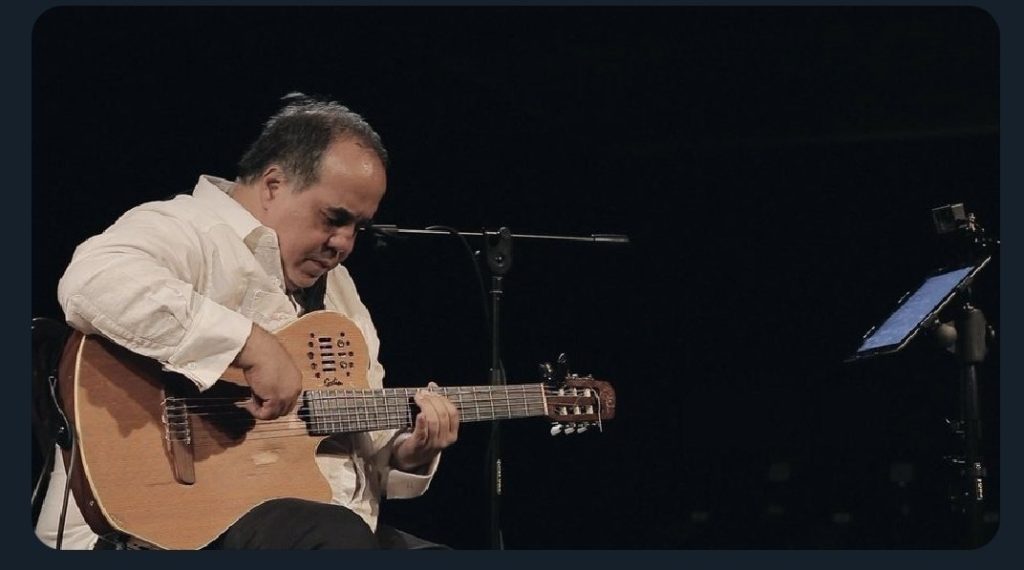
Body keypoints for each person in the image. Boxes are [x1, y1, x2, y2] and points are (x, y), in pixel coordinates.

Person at [34, 92, 461, 550]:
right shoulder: (189, 228)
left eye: (358, 227)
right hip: (158, 527)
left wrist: (406, 452)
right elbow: (93, 279)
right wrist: (247, 345)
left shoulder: (341, 290)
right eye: (333, 218)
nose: (344, 244)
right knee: (335, 537)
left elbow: (353, 430)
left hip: (319, 524)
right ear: (274, 184)